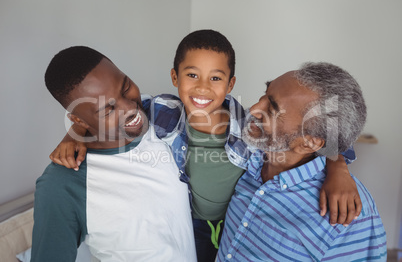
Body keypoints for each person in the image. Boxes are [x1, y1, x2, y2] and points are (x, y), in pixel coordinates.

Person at [50, 30, 362, 262]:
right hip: (188, 224)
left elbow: (323, 136)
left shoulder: (250, 125)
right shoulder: (160, 111)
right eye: (192, 75)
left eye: (215, 78)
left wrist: (338, 168)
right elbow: (106, 115)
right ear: (175, 77)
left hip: (234, 221)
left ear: (230, 85)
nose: (202, 87)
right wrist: (74, 135)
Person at [31, 46, 197, 261]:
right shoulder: (62, 185)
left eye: (125, 87)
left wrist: (75, 133)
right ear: (79, 120)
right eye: (108, 109)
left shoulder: (162, 121)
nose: (130, 107)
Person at [217, 62, 387, 261]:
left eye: (272, 108)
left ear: (309, 143)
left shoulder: (348, 216)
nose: (254, 109)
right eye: (265, 93)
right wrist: (337, 163)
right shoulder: (249, 153)